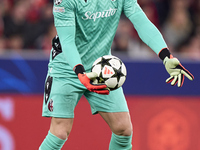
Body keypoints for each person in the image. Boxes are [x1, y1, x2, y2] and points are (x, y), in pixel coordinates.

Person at [39, 0, 194, 149]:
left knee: (123, 129)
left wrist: (166, 55)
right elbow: (67, 41)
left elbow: (140, 21)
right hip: (66, 68)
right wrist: (80, 73)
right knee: (59, 132)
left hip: (101, 68)